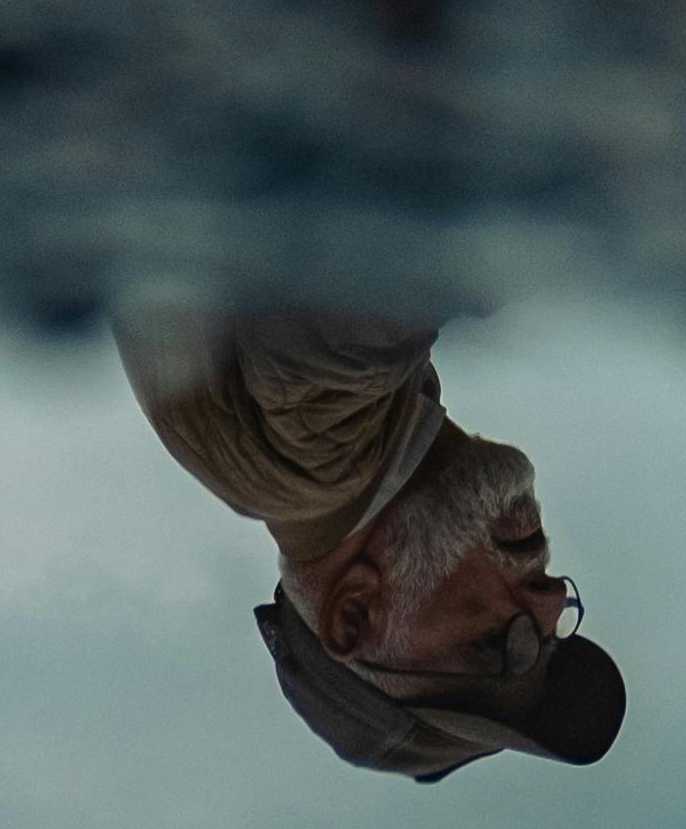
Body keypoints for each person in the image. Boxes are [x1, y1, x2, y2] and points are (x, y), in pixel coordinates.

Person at [116, 305, 628, 782]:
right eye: (552, 632)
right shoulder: (293, 459)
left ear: (356, 612)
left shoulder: (318, 435)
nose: (552, 598)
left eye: (501, 646)